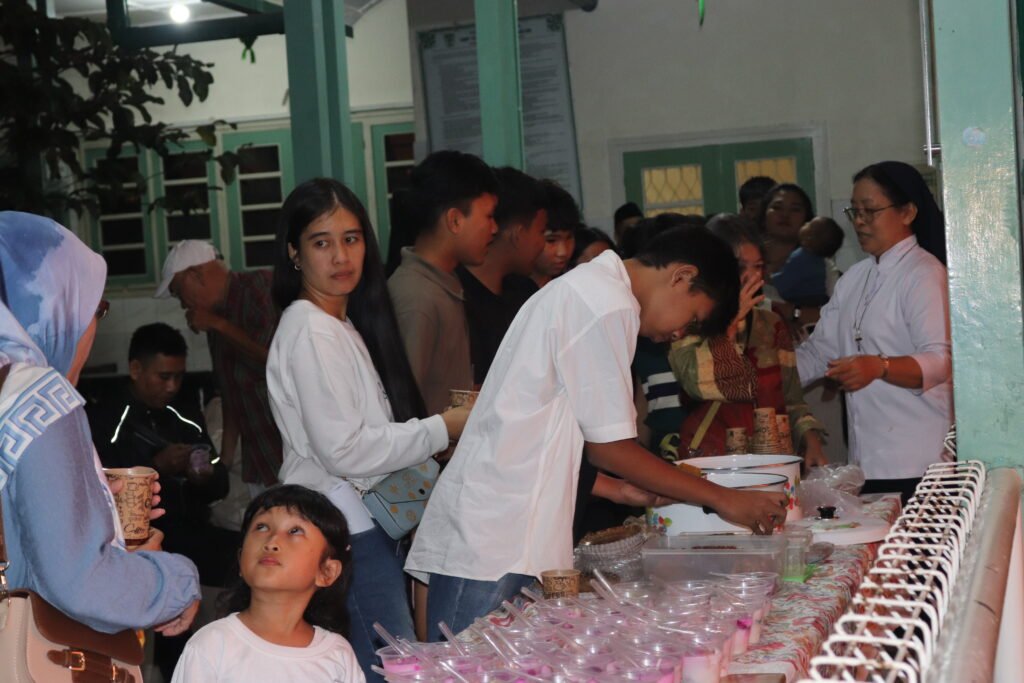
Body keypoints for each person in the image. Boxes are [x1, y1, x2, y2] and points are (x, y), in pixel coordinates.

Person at [407, 225, 789, 637]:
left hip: (504, 529)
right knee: (473, 663)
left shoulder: (592, 291)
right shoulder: (606, 303)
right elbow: (610, 449)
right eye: (693, 318)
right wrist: (724, 499)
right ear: (682, 276)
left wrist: (620, 490)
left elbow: (544, 430)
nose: (680, 333)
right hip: (497, 539)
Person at [267, 178, 470, 679]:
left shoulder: (335, 323)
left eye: (351, 239)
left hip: (361, 522)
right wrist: (441, 428)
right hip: (344, 527)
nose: (341, 256)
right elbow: (345, 451)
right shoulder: (311, 328)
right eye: (321, 242)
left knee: (384, 665)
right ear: (294, 253)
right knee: (391, 669)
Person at [0, 211, 200, 641]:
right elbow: (81, 582)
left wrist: (84, 503)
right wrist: (174, 580)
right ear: (58, 305)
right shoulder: (37, 396)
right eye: (96, 308)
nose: (92, 327)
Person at [87, 322, 240, 677]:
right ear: (136, 369)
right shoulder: (106, 417)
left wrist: (203, 476)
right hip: (129, 541)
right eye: (163, 376)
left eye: (178, 377)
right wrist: (157, 466)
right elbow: (99, 484)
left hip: (190, 529)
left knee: (245, 556)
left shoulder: (184, 413)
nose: (172, 386)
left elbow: (219, 482)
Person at [797, 162, 952, 502]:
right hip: (867, 464)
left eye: (870, 210)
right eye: (855, 211)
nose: (859, 221)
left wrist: (879, 366)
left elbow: (941, 360)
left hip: (920, 464)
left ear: (907, 212)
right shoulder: (855, 277)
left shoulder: (924, 273)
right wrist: (757, 377)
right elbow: (818, 353)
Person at [668, 214, 828, 469]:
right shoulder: (690, 322)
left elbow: (790, 398)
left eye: (758, 266)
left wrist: (810, 438)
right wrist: (730, 323)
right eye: (741, 267)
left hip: (771, 462)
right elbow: (696, 384)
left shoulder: (771, 324)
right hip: (713, 462)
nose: (751, 276)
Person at [171, 485, 364, 683]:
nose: (272, 542)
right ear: (241, 559)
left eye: (295, 531)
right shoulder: (212, 644)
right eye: (262, 527)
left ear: (327, 571)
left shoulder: (337, 654)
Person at [156, 240, 283, 493]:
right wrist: (223, 460)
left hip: (294, 451)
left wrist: (219, 325)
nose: (183, 305)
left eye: (179, 293)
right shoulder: (214, 318)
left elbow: (279, 363)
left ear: (196, 275)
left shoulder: (259, 286)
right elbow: (231, 393)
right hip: (260, 458)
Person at [387, 151, 499, 414]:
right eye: (488, 216)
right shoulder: (417, 298)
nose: (495, 228)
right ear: (455, 220)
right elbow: (403, 408)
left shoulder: (443, 283)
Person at [457, 166, 548, 385]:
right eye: (541, 232)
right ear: (518, 234)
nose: (543, 243)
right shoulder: (457, 297)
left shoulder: (525, 292)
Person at [771, 216, 845, 308]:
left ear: (808, 238)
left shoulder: (801, 258)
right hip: (817, 302)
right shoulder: (820, 263)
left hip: (800, 303)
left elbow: (783, 282)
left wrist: (770, 277)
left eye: (809, 224)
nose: (805, 223)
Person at [758, 183, 814, 275]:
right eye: (777, 207)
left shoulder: (817, 264)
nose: (785, 215)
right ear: (764, 215)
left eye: (795, 209)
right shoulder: (743, 259)